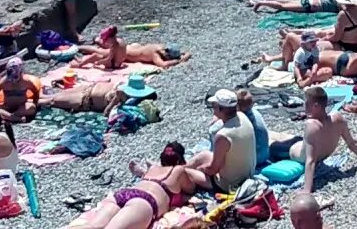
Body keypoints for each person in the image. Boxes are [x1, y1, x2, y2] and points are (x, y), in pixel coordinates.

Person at [75, 142, 206, 229]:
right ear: (180, 160)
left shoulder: (154, 168)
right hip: (144, 201)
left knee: (93, 226)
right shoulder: (178, 170)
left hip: (123, 194)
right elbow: (191, 188)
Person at [284, 86, 357, 192]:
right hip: (301, 144)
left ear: (315, 106)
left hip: (290, 152)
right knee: (284, 136)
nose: (304, 105)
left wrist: (306, 191)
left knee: (272, 141)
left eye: (307, 102)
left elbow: (311, 161)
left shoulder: (312, 126)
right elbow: (351, 144)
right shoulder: (338, 119)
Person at [187, 90, 256, 192]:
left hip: (230, 184)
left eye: (214, 106)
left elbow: (213, 169)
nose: (213, 109)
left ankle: (173, 174)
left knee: (185, 172)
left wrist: (201, 169)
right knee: (204, 155)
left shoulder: (223, 136)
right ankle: (174, 168)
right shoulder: (242, 116)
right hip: (247, 174)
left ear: (220, 109)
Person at [73, 25, 190, 70]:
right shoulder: (155, 56)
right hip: (129, 54)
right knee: (99, 51)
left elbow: (187, 52)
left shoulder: (160, 47)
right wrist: (178, 61)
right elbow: (163, 65)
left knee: (104, 48)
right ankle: (78, 48)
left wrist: (185, 56)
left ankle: (92, 43)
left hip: (134, 48)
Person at [0, 57, 42, 123]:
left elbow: (36, 92)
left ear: (21, 72)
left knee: (31, 107)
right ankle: (15, 118)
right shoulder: (3, 82)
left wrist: (35, 102)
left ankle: (11, 117)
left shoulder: (27, 82)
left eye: (16, 77)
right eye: (11, 77)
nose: (14, 81)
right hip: (7, 107)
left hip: (21, 107)